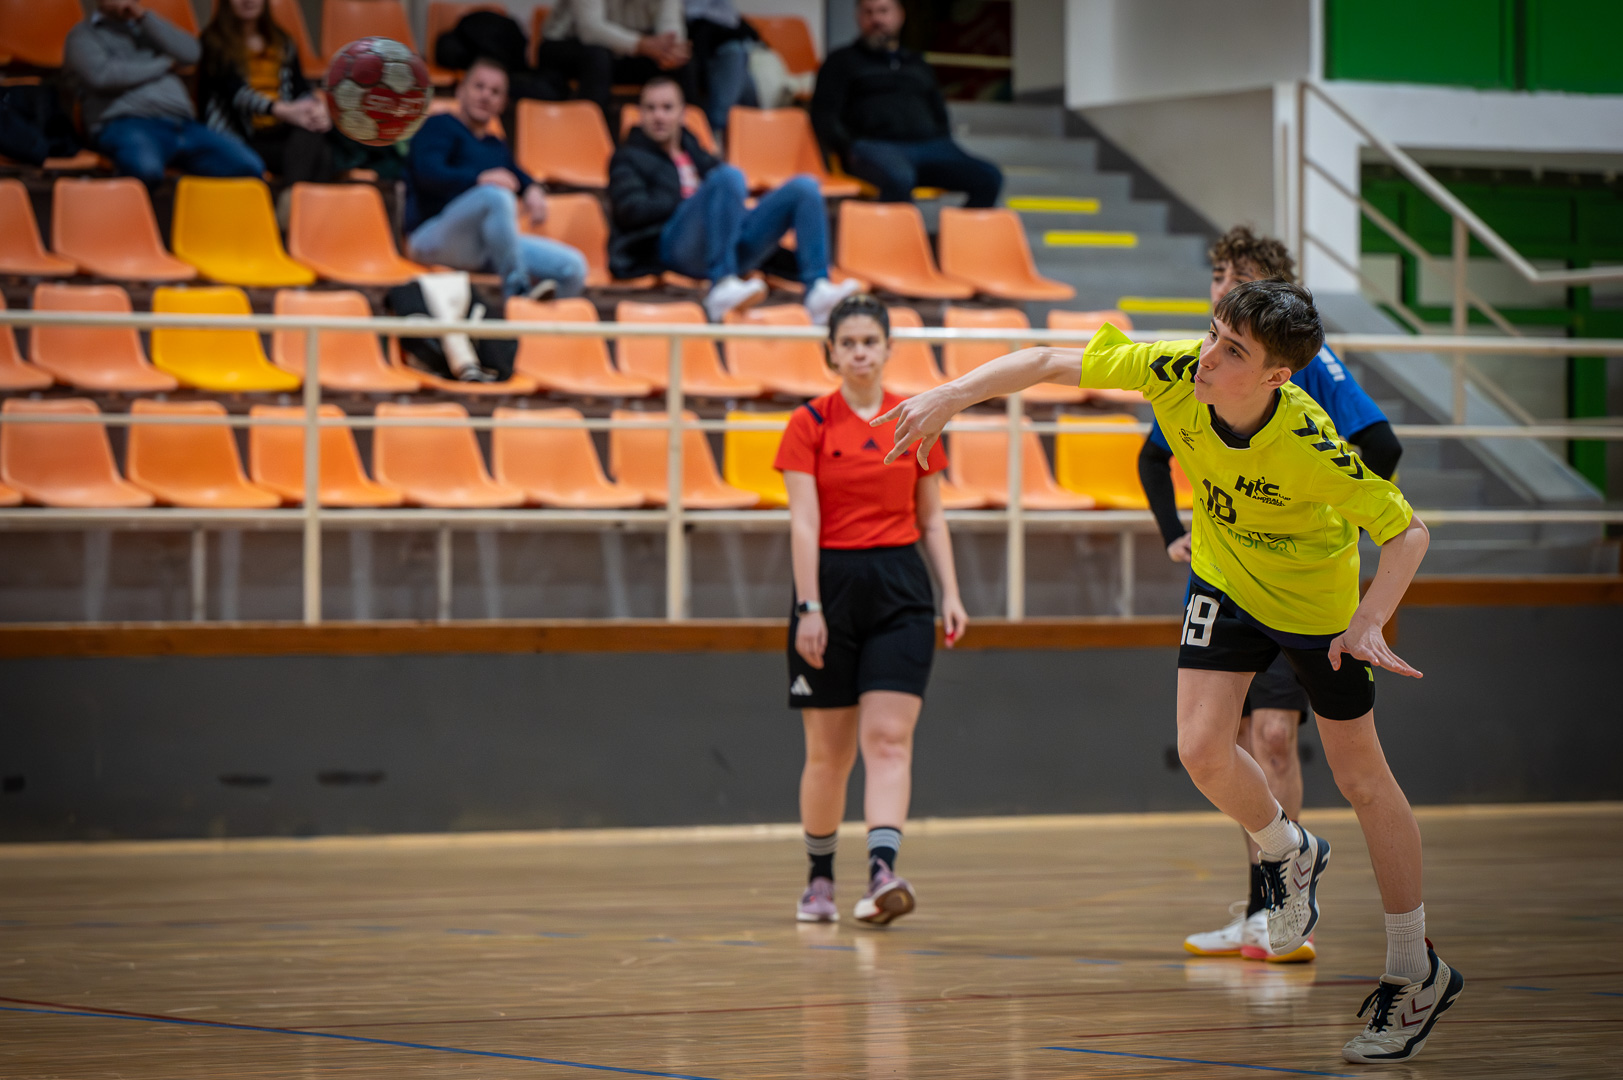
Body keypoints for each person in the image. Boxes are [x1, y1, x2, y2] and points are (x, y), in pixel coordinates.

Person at [879, 281, 1462, 1064]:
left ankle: (1414, 969)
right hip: (1222, 581)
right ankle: (1287, 848)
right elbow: (1047, 358)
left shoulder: (1308, 446)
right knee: (1200, 750)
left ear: (1275, 376)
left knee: (1362, 780)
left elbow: (1407, 532)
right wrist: (950, 395)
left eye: (1232, 351)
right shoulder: (1174, 369)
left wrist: (1367, 620)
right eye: (1212, 333)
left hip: (1313, 605)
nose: (1207, 357)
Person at [1151, 228, 1403, 965]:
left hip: (1300, 590)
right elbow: (1151, 454)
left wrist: (1314, 516)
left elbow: (1381, 447)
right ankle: (1267, 900)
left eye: (1241, 276)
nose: (1222, 288)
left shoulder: (1307, 363)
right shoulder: (1205, 366)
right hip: (1229, 582)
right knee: (1219, 748)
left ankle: (1289, 911)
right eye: (1218, 277)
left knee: (1274, 739)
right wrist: (1174, 530)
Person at [775, 294, 969, 926]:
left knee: (888, 739)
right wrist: (809, 606)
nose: (860, 352)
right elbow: (804, 523)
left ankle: (883, 873)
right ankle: (819, 880)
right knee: (829, 753)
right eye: (848, 343)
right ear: (831, 353)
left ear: (888, 349)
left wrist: (951, 592)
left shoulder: (916, 418)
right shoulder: (808, 423)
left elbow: (931, 517)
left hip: (901, 589)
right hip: (829, 587)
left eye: (870, 342)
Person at [608, 77, 860, 323]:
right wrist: (691, 201)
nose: (659, 116)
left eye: (667, 108)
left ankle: (818, 289)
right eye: (650, 108)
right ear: (640, 114)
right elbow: (631, 210)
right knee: (728, 176)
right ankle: (722, 284)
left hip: (726, 243)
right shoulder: (628, 157)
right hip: (670, 246)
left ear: (682, 113)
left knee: (804, 187)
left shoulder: (695, 152)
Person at [405, 58, 588, 301]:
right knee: (496, 195)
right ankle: (517, 290)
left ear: (503, 103)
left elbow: (517, 176)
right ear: (460, 91)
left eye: (495, 92)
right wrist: (478, 180)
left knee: (573, 267)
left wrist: (533, 189)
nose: (485, 96)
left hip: (483, 246)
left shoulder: (495, 146)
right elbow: (428, 174)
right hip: (430, 238)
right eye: (479, 87)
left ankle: (533, 321)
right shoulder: (438, 126)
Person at [811, 0, 1001, 208]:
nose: (876, 19)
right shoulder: (840, 61)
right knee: (899, 177)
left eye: (883, 11)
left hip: (930, 146)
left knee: (989, 177)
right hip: (874, 146)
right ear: (858, 17)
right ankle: (896, 230)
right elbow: (824, 116)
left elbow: (938, 110)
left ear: (900, 16)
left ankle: (960, 231)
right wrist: (850, 147)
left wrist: (941, 137)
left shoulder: (917, 63)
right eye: (868, 12)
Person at [64, 0, 265, 189]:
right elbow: (104, 76)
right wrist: (164, 64)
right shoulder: (83, 34)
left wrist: (143, 17)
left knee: (248, 166)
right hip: (126, 123)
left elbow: (191, 53)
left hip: (182, 125)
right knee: (145, 169)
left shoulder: (148, 29)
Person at [198, 0, 334, 186]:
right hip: (237, 139)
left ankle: (291, 197)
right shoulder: (213, 41)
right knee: (320, 154)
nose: (248, 1)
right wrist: (283, 110)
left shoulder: (282, 41)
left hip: (278, 130)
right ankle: (295, 198)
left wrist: (316, 108)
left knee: (314, 133)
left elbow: (300, 89)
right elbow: (237, 95)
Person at [534, 0, 695, 127]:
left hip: (629, 52)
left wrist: (672, 51)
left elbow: (671, 30)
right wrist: (641, 45)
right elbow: (590, 30)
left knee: (682, 64)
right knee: (597, 57)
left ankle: (689, 142)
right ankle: (589, 135)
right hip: (567, 46)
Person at [683, 0, 758, 139]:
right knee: (735, 54)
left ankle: (741, 135)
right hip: (700, 56)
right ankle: (716, 133)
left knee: (740, 65)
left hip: (723, 56)